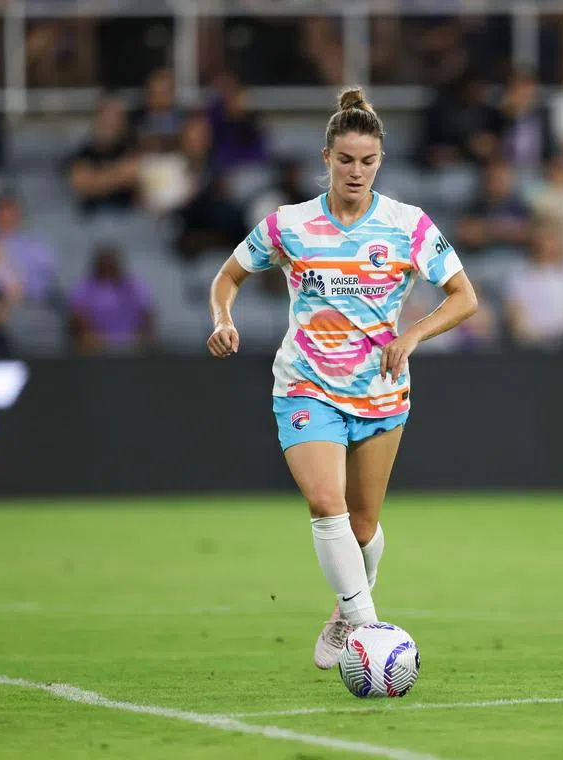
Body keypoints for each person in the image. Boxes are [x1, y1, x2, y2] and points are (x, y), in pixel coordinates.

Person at [206, 88, 478, 669]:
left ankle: (341, 614)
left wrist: (411, 336)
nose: (357, 171)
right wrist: (223, 318)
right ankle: (366, 628)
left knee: (362, 525)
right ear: (325, 157)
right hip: (305, 384)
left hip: (381, 391)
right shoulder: (289, 225)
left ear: (380, 162)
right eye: (346, 159)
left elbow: (464, 297)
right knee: (326, 504)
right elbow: (228, 276)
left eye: (369, 161)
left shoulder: (408, 226)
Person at [68, 245, 155, 354]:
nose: (107, 266)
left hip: (133, 341)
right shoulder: (84, 287)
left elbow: (147, 315)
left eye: (111, 262)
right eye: (104, 262)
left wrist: (142, 338)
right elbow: (77, 318)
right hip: (95, 343)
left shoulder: (134, 286)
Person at [67, 96, 139, 215]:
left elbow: (136, 175)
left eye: (115, 117)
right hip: (91, 218)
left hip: (125, 217)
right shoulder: (84, 151)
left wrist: (96, 179)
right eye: (105, 116)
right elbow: (79, 184)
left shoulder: (132, 149)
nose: (109, 122)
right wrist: (119, 176)